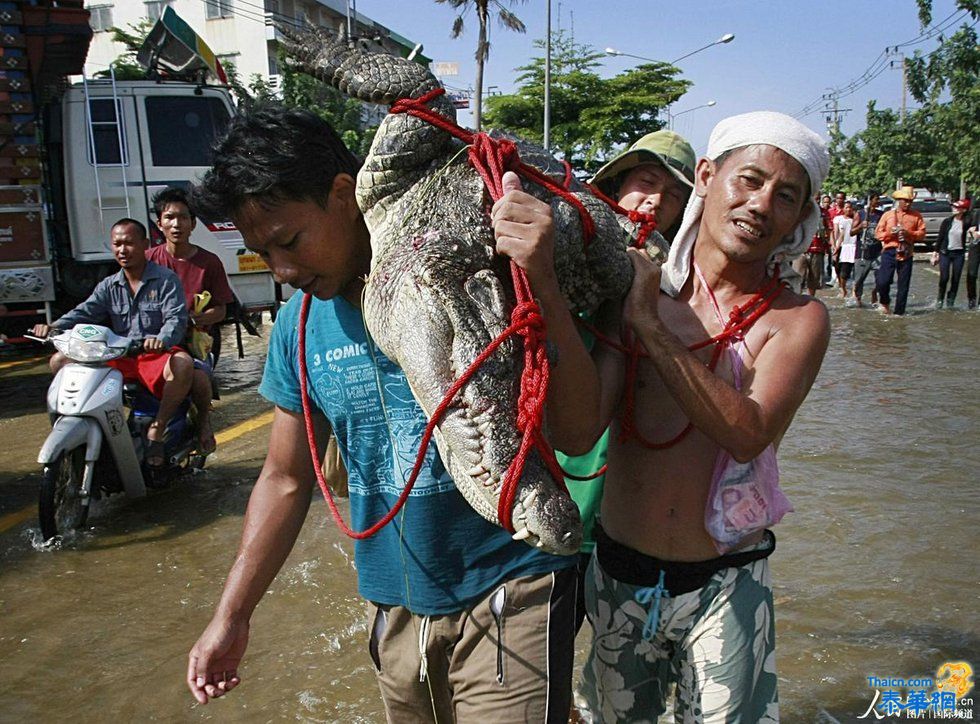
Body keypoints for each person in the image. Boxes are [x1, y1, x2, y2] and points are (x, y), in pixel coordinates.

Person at [185, 106, 578, 722]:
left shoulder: (471, 275)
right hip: (395, 604)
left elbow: (582, 423)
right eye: (264, 255)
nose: (284, 271)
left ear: (345, 194)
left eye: (289, 241)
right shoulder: (298, 326)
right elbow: (286, 480)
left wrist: (543, 277)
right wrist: (231, 615)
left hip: (512, 583)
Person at [570, 111, 831, 722]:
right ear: (708, 179)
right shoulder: (634, 289)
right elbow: (578, 432)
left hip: (727, 582)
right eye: (749, 180)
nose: (762, 204)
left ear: (799, 219)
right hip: (617, 573)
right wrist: (552, 296)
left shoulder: (797, 319)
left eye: (785, 196)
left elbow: (747, 433)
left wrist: (651, 330)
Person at [559, 129, 697, 633]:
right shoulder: (564, 263)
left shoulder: (682, 300)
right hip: (561, 496)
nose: (656, 200)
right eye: (646, 181)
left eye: (676, 195)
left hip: (628, 521)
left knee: (619, 672)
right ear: (615, 188)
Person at [30, 219, 192, 468]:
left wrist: (160, 340)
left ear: (145, 245)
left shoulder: (166, 280)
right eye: (117, 244)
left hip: (153, 356)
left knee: (183, 364)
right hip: (120, 356)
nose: (122, 250)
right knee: (59, 360)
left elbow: (175, 319)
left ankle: (158, 428)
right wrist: (53, 327)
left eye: (129, 243)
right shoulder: (109, 285)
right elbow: (85, 312)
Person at [146, 186, 235, 452]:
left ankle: (204, 423)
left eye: (183, 217)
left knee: (198, 380)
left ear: (193, 223)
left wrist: (195, 318)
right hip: (153, 344)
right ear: (159, 223)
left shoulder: (209, 262)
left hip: (193, 344)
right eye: (170, 217)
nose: (176, 224)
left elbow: (221, 310)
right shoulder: (147, 261)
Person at [875, 185, 925, 315]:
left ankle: (899, 313)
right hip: (889, 250)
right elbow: (878, 233)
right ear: (899, 200)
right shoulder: (888, 215)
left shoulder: (916, 216)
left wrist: (908, 233)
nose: (908, 204)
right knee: (883, 281)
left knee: (903, 285)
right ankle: (885, 301)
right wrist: (890, 234)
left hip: (906, 252)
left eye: (910, 201)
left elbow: (922, 234)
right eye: (905, 201)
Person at [931, 199, 971, 309]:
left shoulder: (967, 222)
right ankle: (940, 300)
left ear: (963, 210)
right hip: (945, 253)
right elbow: (940, 238)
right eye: (953, 207)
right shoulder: (947, 221)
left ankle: (950, 302)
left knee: (956, 279)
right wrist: (935, 253)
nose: (954, 209)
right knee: (944, 277)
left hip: (959, 254)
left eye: (957, 207)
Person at [852, 192, 883, 307]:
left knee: (881, 278)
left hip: (877, 252)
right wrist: (860, 226)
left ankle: (875, 293)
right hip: (862, 253)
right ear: (870, 201)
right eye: (876, 199)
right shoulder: (860, 214)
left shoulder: (881, 215)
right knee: (859, 281)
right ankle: (858, 302)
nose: (878, 201)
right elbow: (851, 232)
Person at [798, 193, 831, 295]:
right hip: (801, 249)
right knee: (798, 277)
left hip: (817, 249)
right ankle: (795, 300)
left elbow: (828, 229)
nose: (815, 201)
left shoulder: (824, 213)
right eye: (814, 199)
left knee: (814, 278)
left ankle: (811, 300)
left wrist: (828, 244)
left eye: (818, 199)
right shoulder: (801, 210)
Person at [831, 200, 859, 298]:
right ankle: (842, 288)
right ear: (843, 208)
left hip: (855, 247)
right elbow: (837, 233)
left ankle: (854, 292)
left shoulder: (856, 221)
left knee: (854, 272)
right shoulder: (838, 219)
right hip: (843, 247)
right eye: (846, 207)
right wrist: (835, 247)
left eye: (850, 207)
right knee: (839, 269)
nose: (848, 209)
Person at [967, 204, 980, 310]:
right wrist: (973, 232)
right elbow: (971, 228)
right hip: (976, 247)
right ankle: (972, 300)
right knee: (971, 274)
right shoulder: (977, 213)